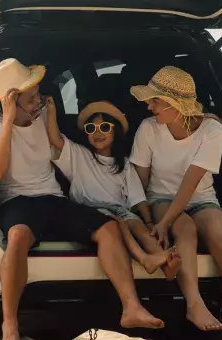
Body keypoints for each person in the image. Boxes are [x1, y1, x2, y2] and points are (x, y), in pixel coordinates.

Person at [0, 58, 164, 340]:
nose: (39, 101)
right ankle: (10, 326)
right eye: (31, 98)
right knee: (17, 239)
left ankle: (131, 307)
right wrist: (8, 120)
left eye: (38, 94)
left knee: (108, 227)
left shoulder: (42, 117)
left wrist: (48, 114)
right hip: (18, 202)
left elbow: (57, 145)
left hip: (53, 198)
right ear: (11, 102)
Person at [129, 65, 222, 340]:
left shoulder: (212, 130)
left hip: (201, 197)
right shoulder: (148, 129)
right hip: (161, 198)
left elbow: (192, 183)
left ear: (176, 106)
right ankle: (194, 303)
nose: (149, 106)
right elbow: (139, 179)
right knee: (186, 229)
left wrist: (164, 223)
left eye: (155, 101)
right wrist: (146, 219)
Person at [43, 96, 180, 278]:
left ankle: (167, 264)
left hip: (121, 210)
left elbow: (138, 198)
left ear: (116, 132)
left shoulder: (124, 164)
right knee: (119, 224)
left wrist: (149, 223)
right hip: (93, 212)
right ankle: (145, 259)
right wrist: (51, 112)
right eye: (91, 128)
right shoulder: (78, 155)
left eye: (105, 127)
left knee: (139, 228)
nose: (98, 133)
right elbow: (55, 138)